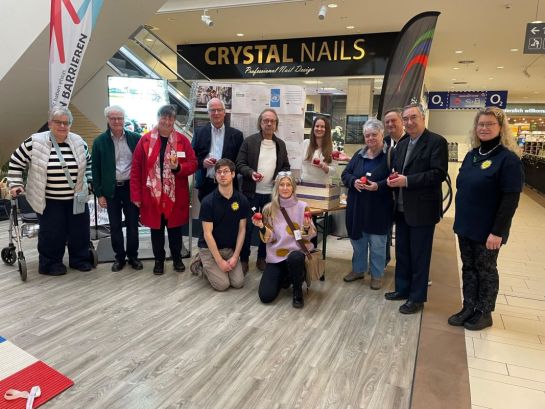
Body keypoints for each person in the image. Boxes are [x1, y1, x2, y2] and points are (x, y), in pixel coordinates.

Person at [448, 107, 523, 330]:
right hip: (466, 225)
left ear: (501, 128)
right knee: (468, 268)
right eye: (481, 124)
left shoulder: (508, 160)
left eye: (490, 124)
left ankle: (484, 311)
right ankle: (469, 306)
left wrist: (498, 232)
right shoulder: (472, 155)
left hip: (488, 230)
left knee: (486, 270)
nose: (484, 128)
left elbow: (510, 200)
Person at [7, 106, 93, 275]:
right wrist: (15, 183)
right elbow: (16, 162)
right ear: (50, 123)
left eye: (66, 123)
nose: (62, 126)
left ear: (70, 124)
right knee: (53, 232)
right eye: (58, 122)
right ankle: (50, 264)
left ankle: (80, 259)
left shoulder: (78, 141)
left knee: (80, 231)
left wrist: (89, 182)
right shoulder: (35, 142)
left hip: (77, 197)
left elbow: (89, 164)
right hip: (48, 199)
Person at [385, 103, 448, 314]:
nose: (410, 122)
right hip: (401, 208)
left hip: (423, 210)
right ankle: (402, 289)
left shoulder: (437, 142)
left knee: (420, 256)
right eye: (406, 119)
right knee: (402, 252)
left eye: (414, 117)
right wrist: (394, 179)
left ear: (422, 118)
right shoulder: (402, 145)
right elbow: (398, 171)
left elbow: (438, 174)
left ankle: (417, 297)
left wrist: (407, 181)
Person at [130, 104, 197, 275]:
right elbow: (136, 169)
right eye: (164, 117)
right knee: (157, 231)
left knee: (175, 230)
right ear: (158, 118)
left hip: (175, 195)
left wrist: (178, 169)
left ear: (174, 120)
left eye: (170, 118)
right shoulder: (144, 141)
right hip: (152, 196)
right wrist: (136, 195)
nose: (167, 121)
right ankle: (159, 261)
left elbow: (193, 164)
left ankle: (177, 259)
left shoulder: (183, 141)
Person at [341, 119, 394, 290]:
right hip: (357, 208)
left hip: (379, 209)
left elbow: (394, 179)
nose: (370, 138)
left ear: (382, 134)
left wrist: (378, 185)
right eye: (367, 135)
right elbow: (345, 174)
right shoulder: (358, 155)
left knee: (378, 244)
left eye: (374, 135)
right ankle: (358, 270)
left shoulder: (390, 156)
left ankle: (377, 275)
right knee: (358, 242)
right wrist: (354, 181)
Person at [236, 108, 290, 274]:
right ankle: (244, 260)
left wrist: (280, 177)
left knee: (267, 227)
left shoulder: (280, 144)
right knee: (247, 228)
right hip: (250, 194)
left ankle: (262, 257)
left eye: (272, 121)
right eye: (265, 120)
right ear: (260, 122)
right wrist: (251, 173)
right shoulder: (249, 141)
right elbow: (239, 164)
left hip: (270, 195)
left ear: (276, 124)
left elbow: (286, 167)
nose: (268, 123)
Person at [252, 172, 316, 308]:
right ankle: (286, 277)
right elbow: (270, 239)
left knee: (295, 257)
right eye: (282, 185)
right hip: (277, 256)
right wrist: (262, 227)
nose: (285, 188)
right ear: (277, 187)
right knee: (265, 296)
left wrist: (305, 226)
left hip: (296, 255)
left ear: (293, 187)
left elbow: (310, 236)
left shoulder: (303, 207)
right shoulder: (269, 209)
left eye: (288, 185)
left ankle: (297, 291)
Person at [92, 106, 142, 272]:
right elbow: (95, 170)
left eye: (119, 118)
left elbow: (143, 164)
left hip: (131, 188)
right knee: (115, 226)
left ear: (124, 118)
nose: (117, 121)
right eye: (113, 118)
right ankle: (119, 257)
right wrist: (99, 194)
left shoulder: (136, 138)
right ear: (108, 120)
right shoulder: (99, 142)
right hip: (111, 190)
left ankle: (133, 256)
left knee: (133, 224)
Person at [195, 159, 249, 291]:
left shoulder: (242, 200)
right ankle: (200, 261)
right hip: (209, 249)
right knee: (222, 285)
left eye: (226, 172)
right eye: (219, 172)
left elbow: (242, 230)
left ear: (233, 174)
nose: (222, 175)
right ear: (215, 176)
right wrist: (219, 261)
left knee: (238, 283)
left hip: (228, 250)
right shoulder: (208, 202)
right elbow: (207, 234)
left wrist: (236, 256)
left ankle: (218, 266)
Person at [192, 98, 244, 202]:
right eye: (212, 110)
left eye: (219, 110)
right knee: (207, 217)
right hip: (206, 185)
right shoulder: (199, 133)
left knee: (228, 217)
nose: (216, 113)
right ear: (208, 113)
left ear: (224, 113)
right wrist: (202, 163)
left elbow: (240, 162)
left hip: (229, 186)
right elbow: (191, 158)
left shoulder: (237, 135)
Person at [382, 108, 406, 267]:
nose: (390, 124)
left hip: (407, 198)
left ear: (402, 122)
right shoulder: (385, 141)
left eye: (393, 120)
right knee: (384, 231)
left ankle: (411, 272)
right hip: (388, 196)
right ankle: (383, 262)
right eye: (387, 122)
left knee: (406, 239)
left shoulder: (410, 141)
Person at [300, 116, 336, 184]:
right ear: (313, 128)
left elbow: (334, 170)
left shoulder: (332, 148)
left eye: (322, 127)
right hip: (304, 185)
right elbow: (299, 164)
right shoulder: (305, 143)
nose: (319, 129)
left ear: (326, 129)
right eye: (317, 126)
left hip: (323, 186)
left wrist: (325, 167)